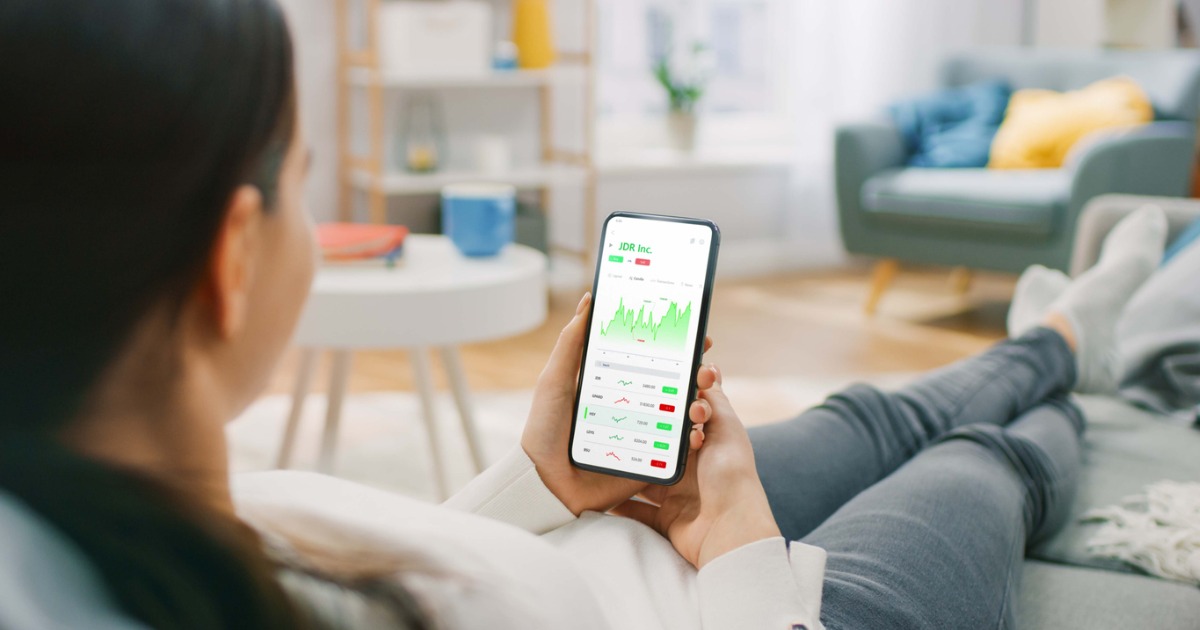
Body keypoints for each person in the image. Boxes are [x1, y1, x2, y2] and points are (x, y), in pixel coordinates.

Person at [0, 1, 1170, 628]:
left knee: (869, 415)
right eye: (306, 180)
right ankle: (1074, 367)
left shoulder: (80, 522)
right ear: (232, 259)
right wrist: (746, 551)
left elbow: (406, 572)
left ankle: (1060, 332)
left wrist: (545, 482)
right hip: (757, 608)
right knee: (983, 456)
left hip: (605, 535)